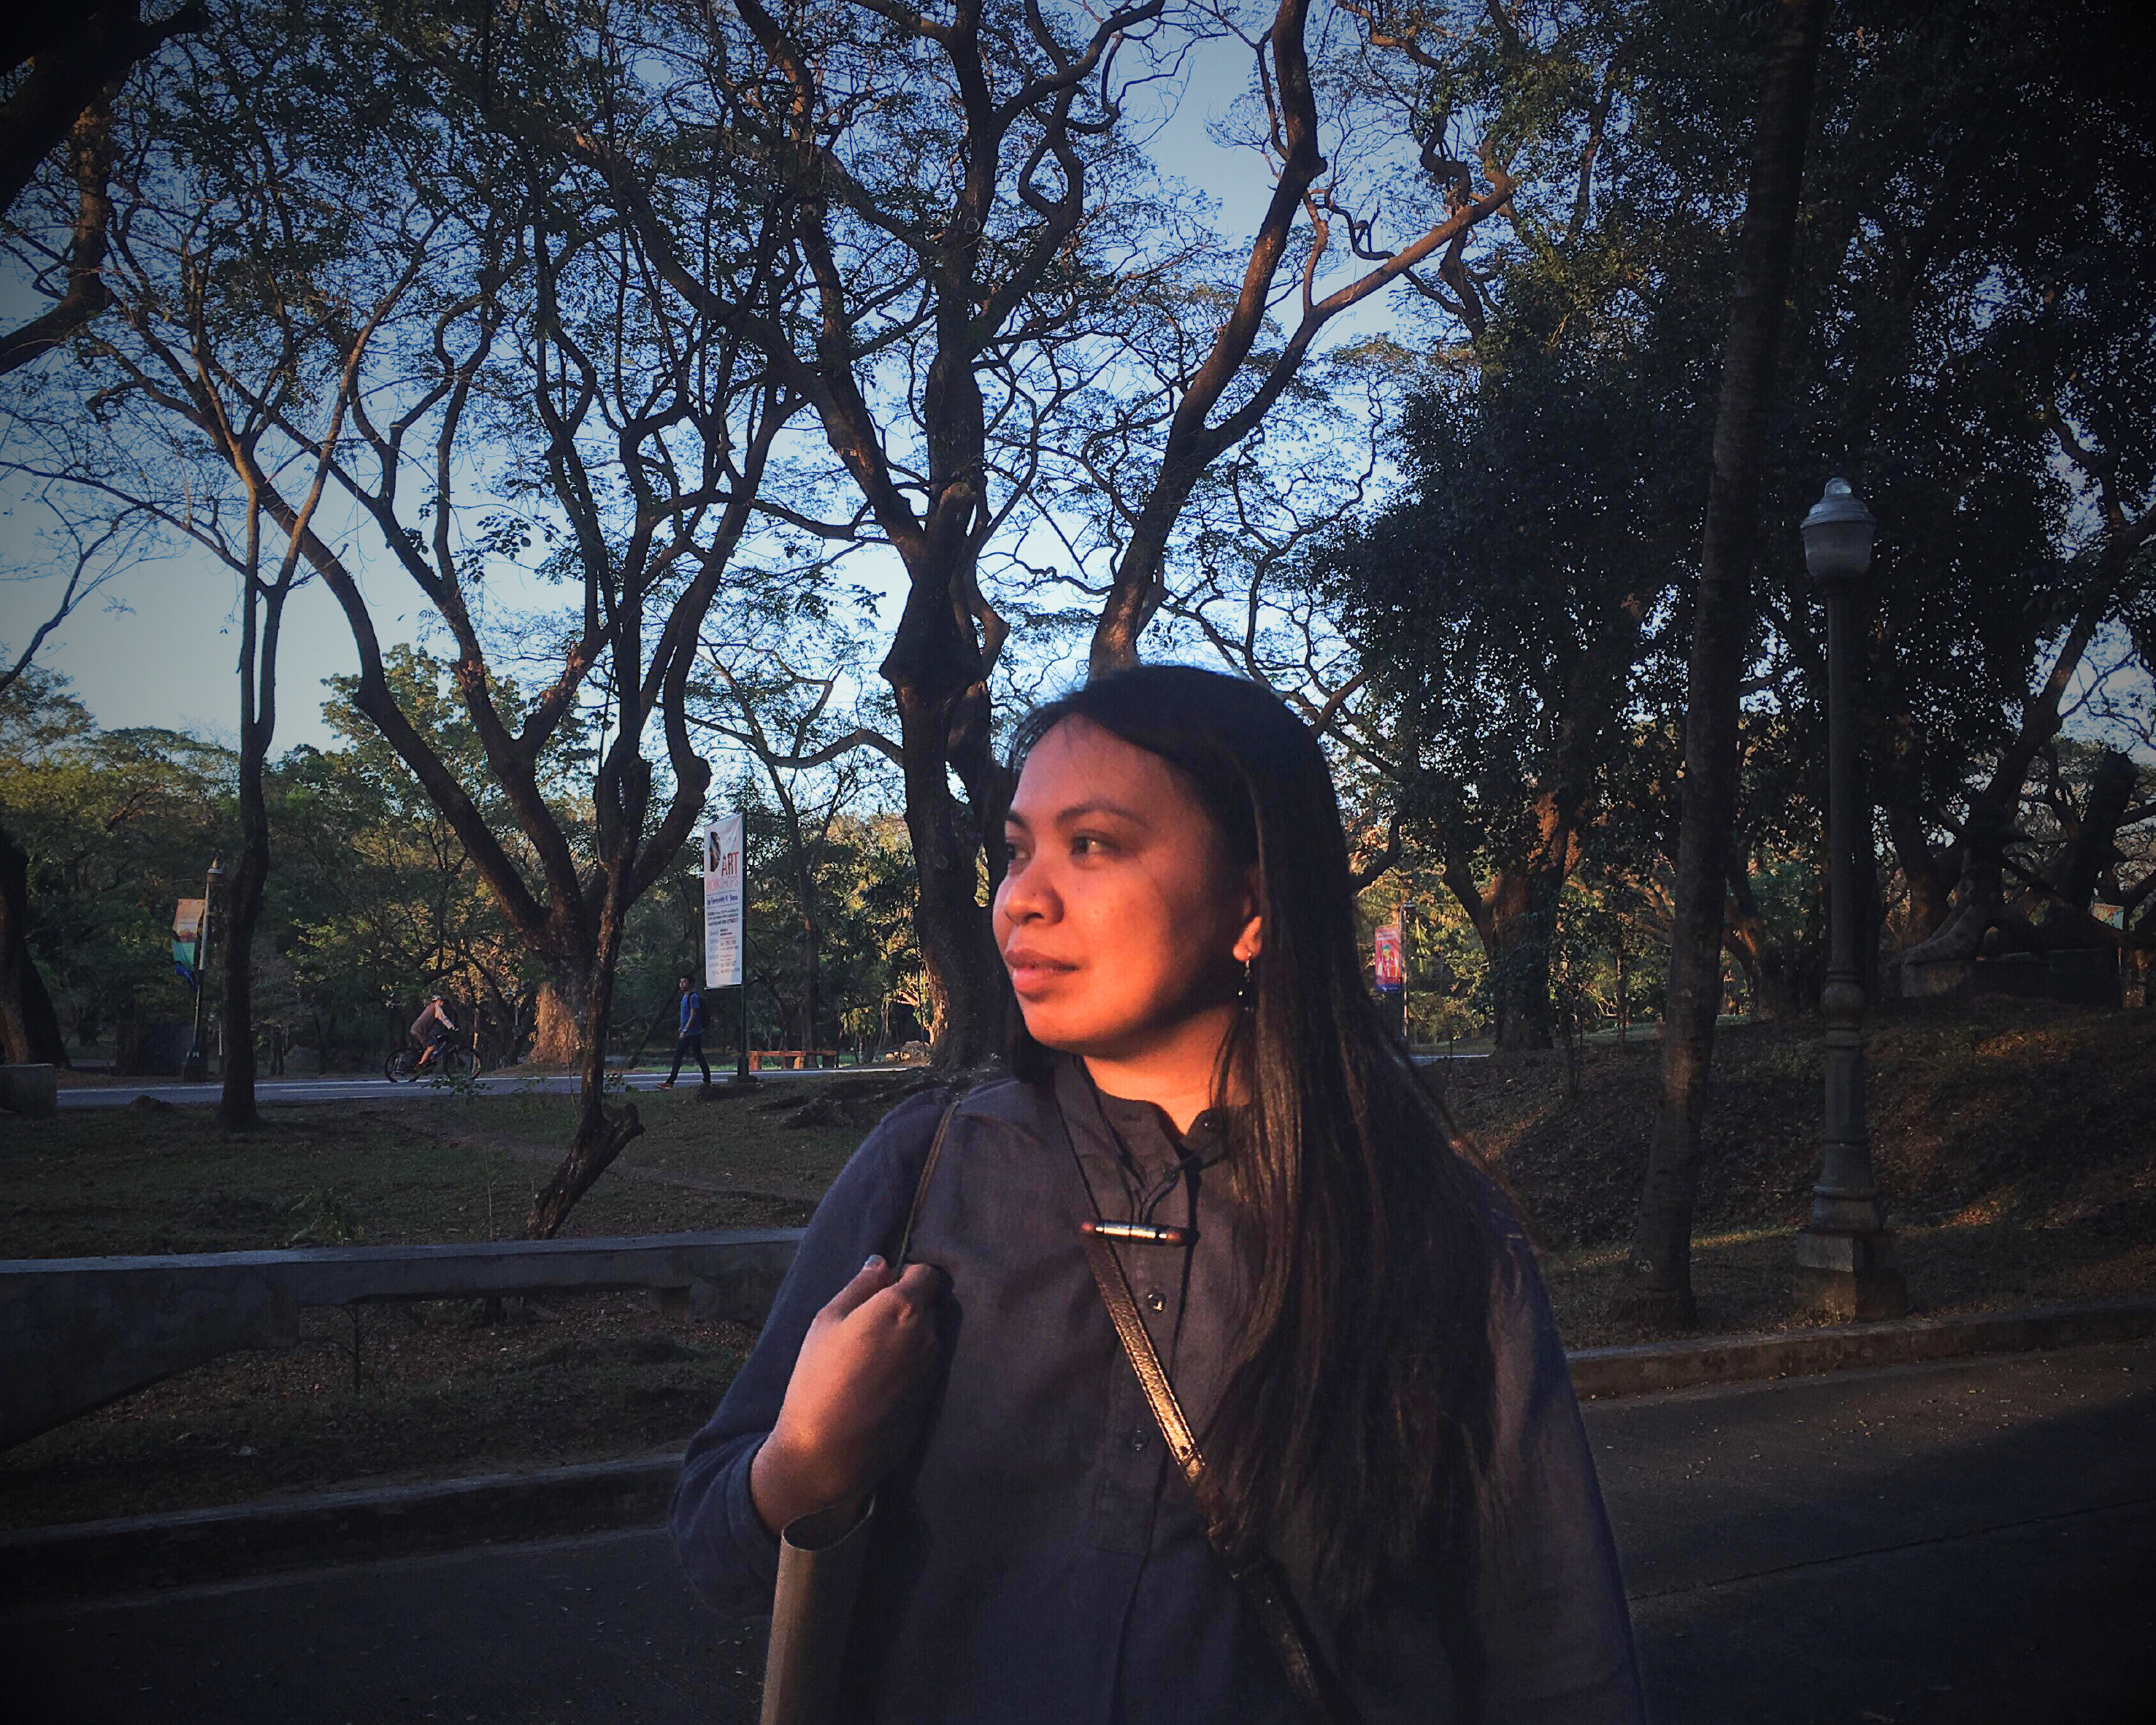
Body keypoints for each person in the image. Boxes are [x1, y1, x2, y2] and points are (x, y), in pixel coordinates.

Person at [671, 666, 1643, 1722]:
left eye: (1092, 844)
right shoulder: (928, 1168)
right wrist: (803, 1459)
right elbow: (715, 1556)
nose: (1023, 896)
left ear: (1254, 901)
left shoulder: (1425, 1226)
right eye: (1016, 848)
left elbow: (1555, 1649)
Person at [661, 975, 710, 1088]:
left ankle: (707, 1079)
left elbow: (693, 1015)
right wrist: (682, 1029)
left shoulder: (693, 997)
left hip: (693, 1033)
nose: (681, 984)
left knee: (696, 1056)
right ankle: (670, 1082)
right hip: (686, 1032)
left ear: (691, 984)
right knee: (681, 1056)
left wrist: (685, 1030)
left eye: (684, 982)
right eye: (680, 982)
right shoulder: (684, 997)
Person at [409, 993, 456, 1072]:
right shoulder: (436, 1008)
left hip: (418, 1029)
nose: (442, 1003)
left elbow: (439, 1022)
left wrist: (445, 1028)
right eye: (441, 1001)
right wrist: (452, 1027)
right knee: (431, 1047)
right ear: (436, 1001)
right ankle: (420, 1065)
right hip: (420, 1031)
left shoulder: (430, 1007)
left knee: (435, 1040)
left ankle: (430, 1059)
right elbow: (443, 1018)